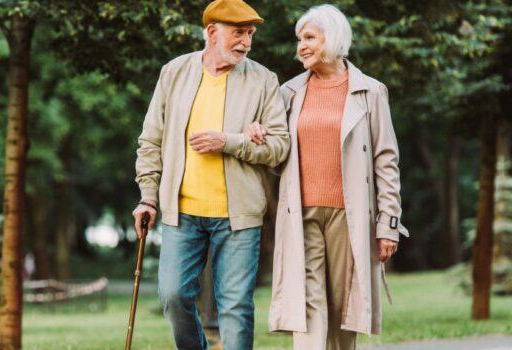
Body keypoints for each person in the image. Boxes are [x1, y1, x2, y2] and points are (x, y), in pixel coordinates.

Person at [245, 4, 409, 350]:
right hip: (301, 213)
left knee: (341, 307)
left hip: (349, 215)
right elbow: (277, 155)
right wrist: (260, 133)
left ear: (332, 39)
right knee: (306, 303)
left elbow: (386, 160)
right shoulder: (288, 92)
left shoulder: (371, 92)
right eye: (298, 39)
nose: (300, 46)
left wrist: (388, 224)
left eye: (309, 38)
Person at [132, 0, 290, 348]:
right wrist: (148, 196)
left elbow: (280, 147)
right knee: (173, 297)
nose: (246, 42)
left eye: (250, 34)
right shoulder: (174, 72)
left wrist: (231, 142)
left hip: (239, 217)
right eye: (238, 33)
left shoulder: (264, 80)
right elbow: (150, 140)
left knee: (235, 307)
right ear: (212, 32)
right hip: (181, 213)